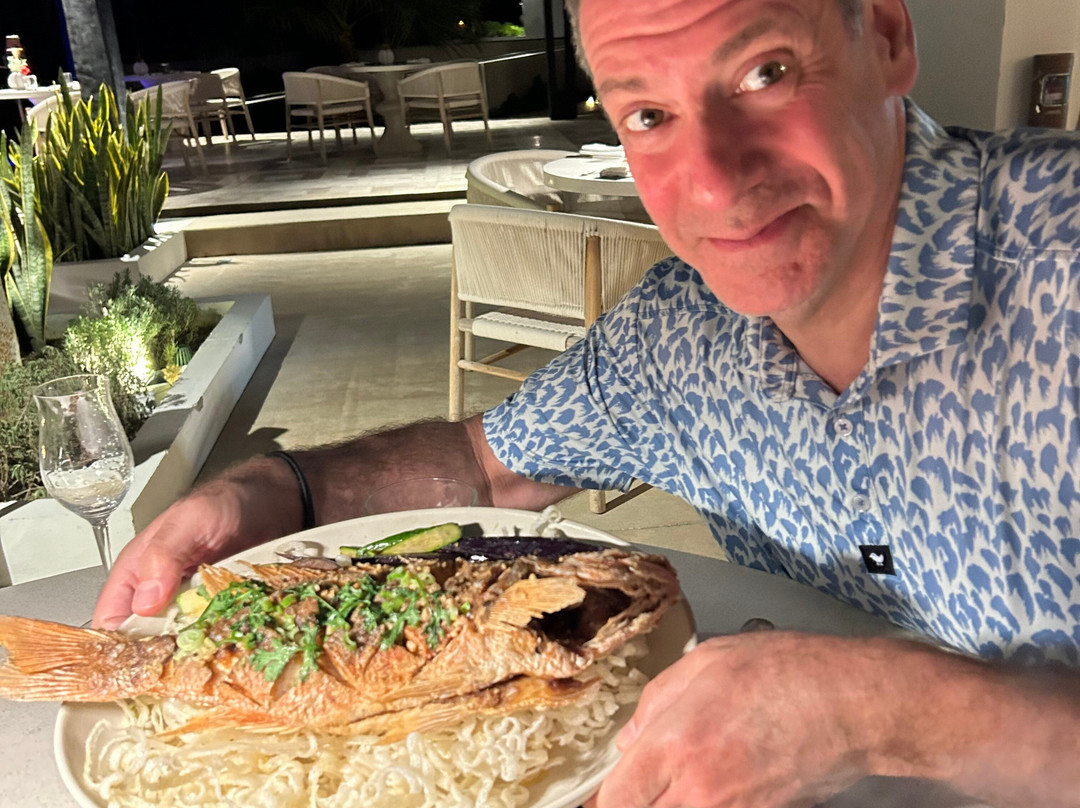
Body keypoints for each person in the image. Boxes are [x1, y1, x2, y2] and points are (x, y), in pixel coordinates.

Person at [94, 0, 1080, 804]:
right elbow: (488, 466)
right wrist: (277, 488)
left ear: (889, 36)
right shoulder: (680, 329)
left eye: (766, 72)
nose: (713, 183)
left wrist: (883, 711)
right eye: (648, 115)